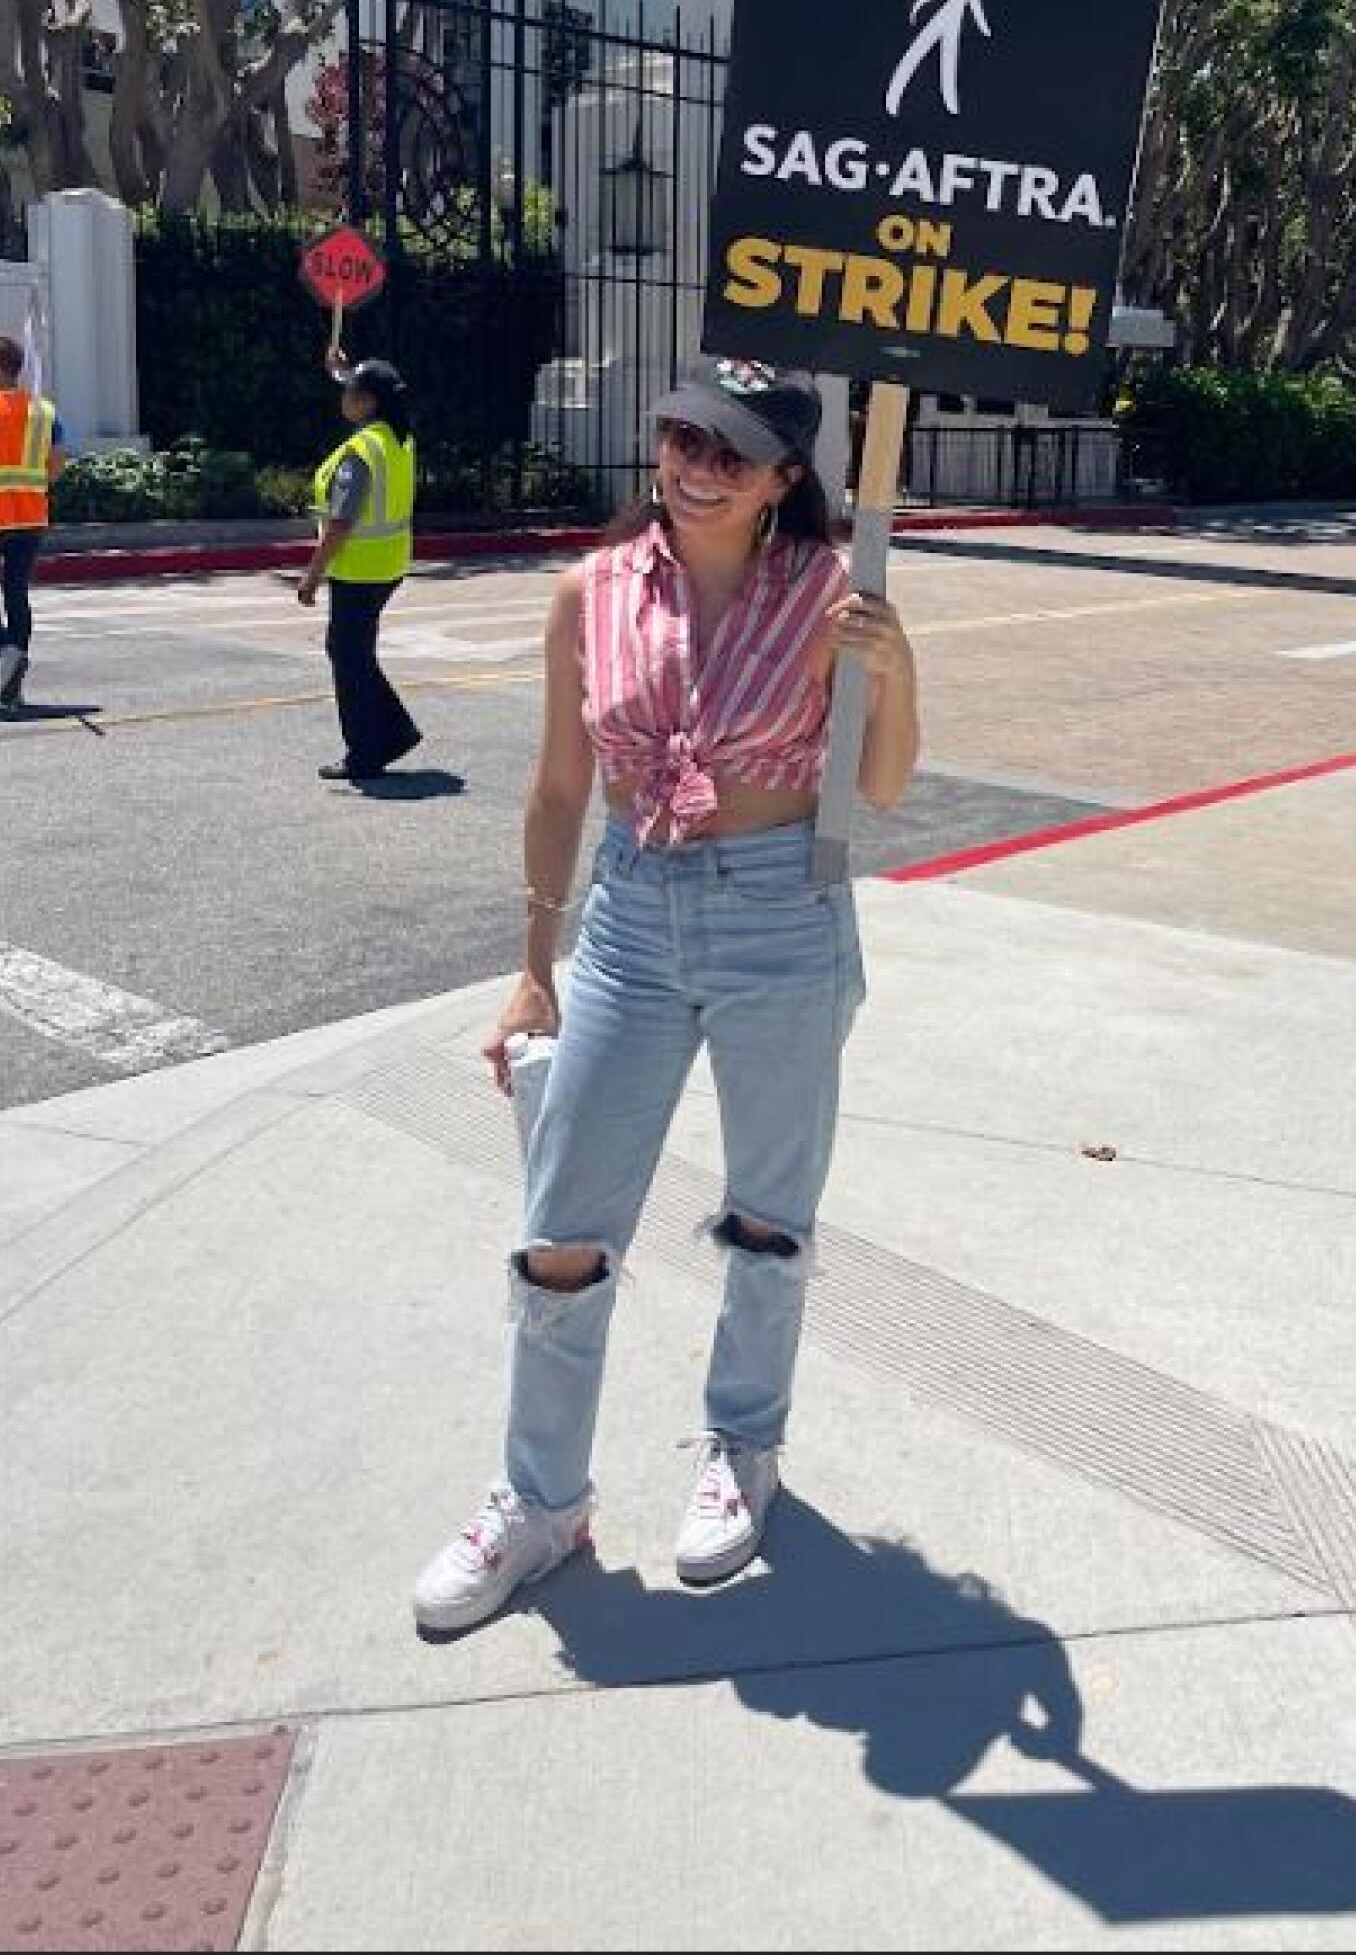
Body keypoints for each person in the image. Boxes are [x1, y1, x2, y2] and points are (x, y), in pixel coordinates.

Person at [413, 354, 919, 1632]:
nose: (696, 467)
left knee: (767, 1216)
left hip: (781, 912)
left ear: (783, 480)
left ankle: (741, 1448)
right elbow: (557, 788)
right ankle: (538, 1501)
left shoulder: (828, 597)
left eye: (730, 453)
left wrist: (897, 667)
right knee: (561, 1228)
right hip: (633, 917)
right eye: (683, 435)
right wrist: (535, 967)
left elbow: (887, 787)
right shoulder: (588, 593)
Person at [298, 354, 421, 783]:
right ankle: (393, 732)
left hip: (358, 569)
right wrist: (340, 369)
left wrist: (312, 573)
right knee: (354, 654)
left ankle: (367, 751)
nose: (343, 396)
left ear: (367, 402)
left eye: (350, 390)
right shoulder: (397, 437)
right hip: (389, 564)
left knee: (348, 657)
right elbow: (370, 389)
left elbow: (341, 521)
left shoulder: (360, 451)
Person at [0, 333, 67, 708]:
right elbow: (56, 469)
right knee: (16, 593)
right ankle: (12, 684)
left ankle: (6, 654)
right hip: (31, 516)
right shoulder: (44, 411)